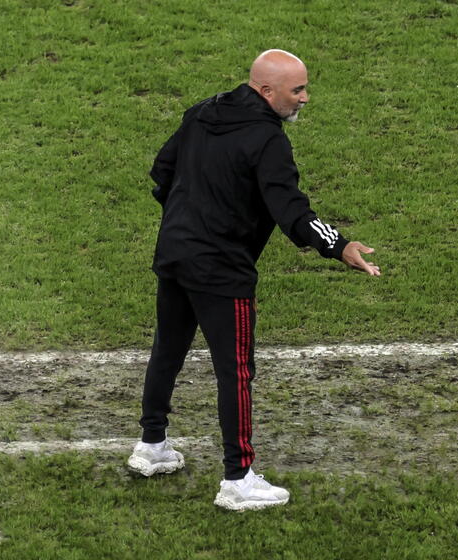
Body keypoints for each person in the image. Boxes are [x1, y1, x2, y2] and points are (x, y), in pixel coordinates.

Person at [127, 49, 381, 511]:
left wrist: (188, 219)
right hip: (222, 270)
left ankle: (151, 446)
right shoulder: (268, 140)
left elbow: (162, 172)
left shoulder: (203, 111)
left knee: (168, 350)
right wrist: (340, 246)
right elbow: (293, 213)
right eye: (297, 90)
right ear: (267, 92)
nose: (305, 98)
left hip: (175, 252)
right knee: (237, 372)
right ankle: (238, 478)